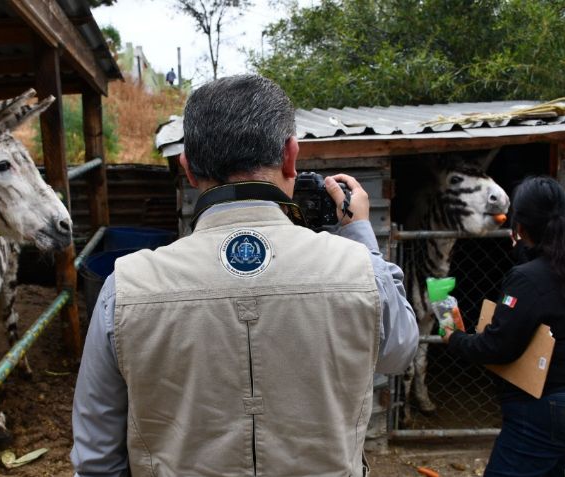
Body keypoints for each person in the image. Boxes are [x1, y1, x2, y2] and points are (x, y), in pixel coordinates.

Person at [70, 74, 418, 477]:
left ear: (187, 169)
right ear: (291, 155)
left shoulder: (125, 286)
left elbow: (96, 460)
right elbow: (399, 351)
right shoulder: (361, 270)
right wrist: (360, 237)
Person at [442, 176, 565, 477]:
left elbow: (497, 347)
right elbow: (547, 289)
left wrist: (455, 339)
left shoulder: (526, 279)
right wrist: (523, 251)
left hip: (547, 408)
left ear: (519, 224)